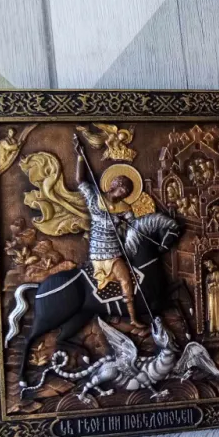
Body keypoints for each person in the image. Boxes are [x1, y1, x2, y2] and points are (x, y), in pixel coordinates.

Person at [73, 134, 143, 327]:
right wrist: (80, 157)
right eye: (123, 188)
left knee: (126, 279)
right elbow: (80, 180)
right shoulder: (95, 197)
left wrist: (129, 225)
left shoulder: (125, 208)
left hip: (114, 250)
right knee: (120, 280)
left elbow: (134, 227)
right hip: (98, 251)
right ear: (114, 185)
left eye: (128, 192)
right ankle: (118, 315)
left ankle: (133, 319)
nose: (125, 193)